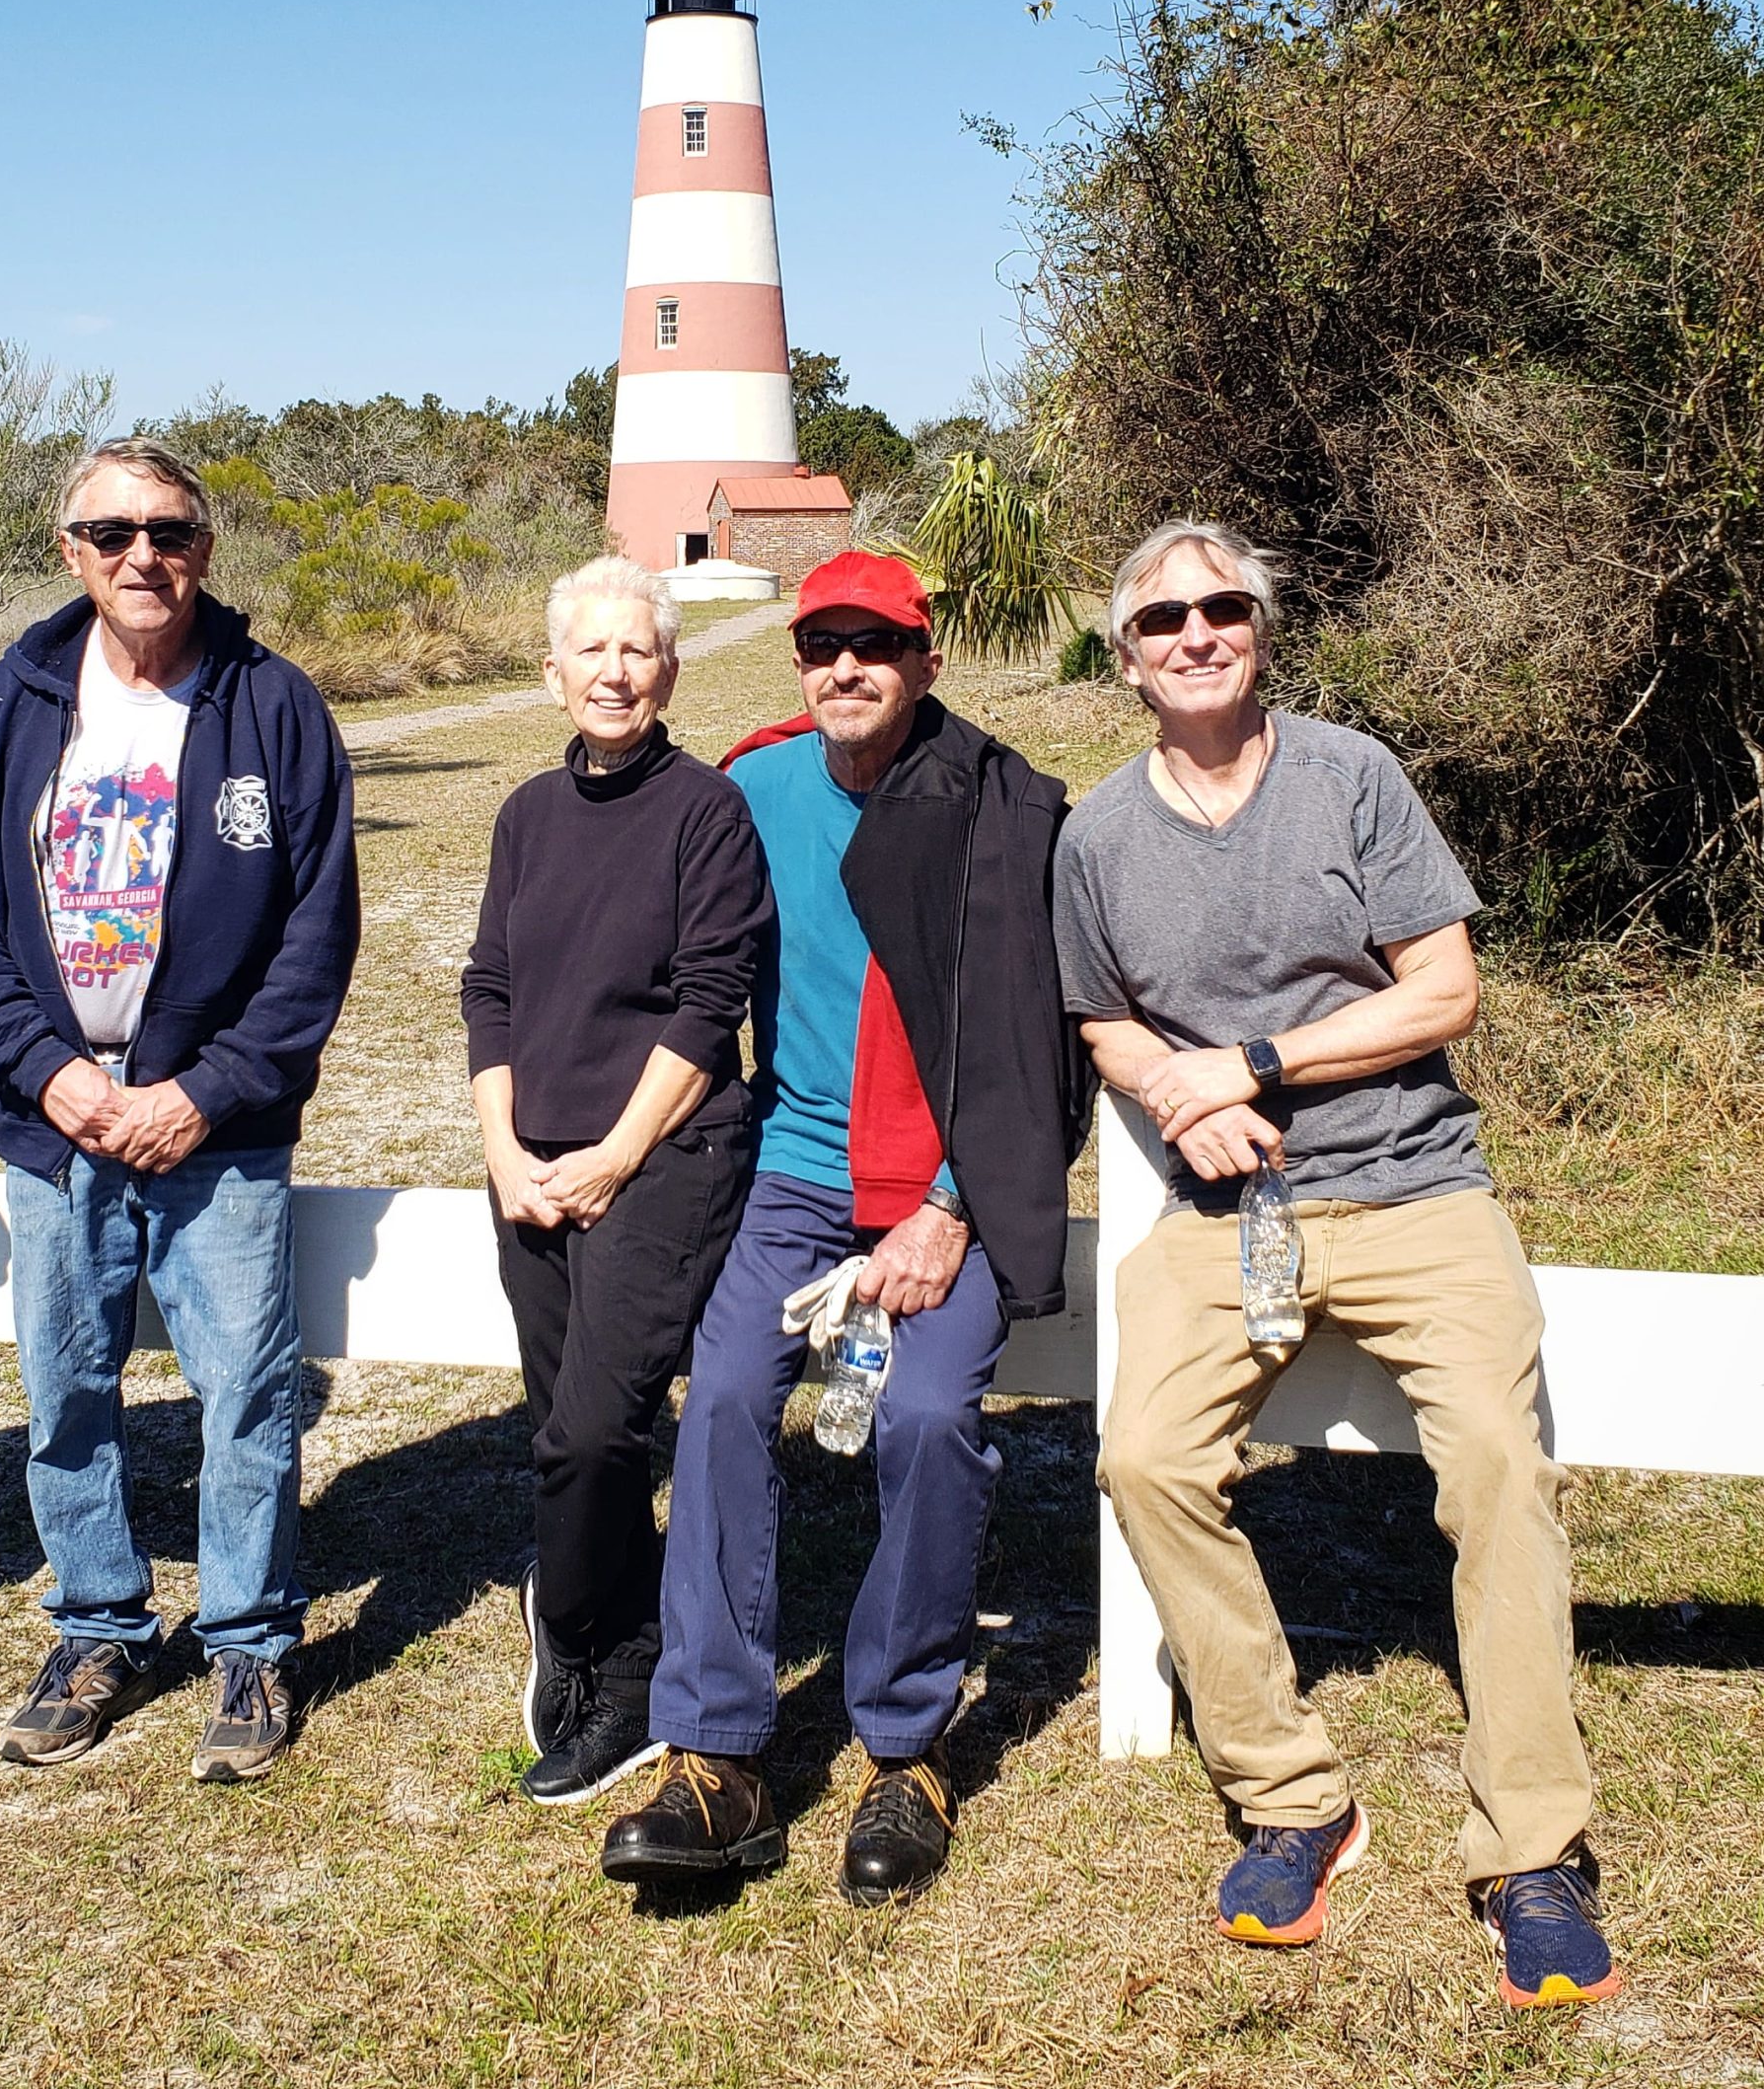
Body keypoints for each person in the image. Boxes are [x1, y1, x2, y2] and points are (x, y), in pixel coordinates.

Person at [1055, 518, 1620, 2008]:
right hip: (1226, 1217)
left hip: (1414, 1187)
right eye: (1165, 616)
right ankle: (1294, 1798)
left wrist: (1251, 1061)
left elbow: (1445, 989)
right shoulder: (1098, 835)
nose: (1197, 633)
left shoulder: (1351, 776)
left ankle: (1536, 1852)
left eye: (1223, 607)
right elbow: (1100, 1018)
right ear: (1128, 657)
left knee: (1501, 1461)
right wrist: (1182, 1097)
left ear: (1259, 628)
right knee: (1144, 1461)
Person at [600, 552, 1083, 1902]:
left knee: (928, 1420)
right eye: (823, 644)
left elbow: (1046, 1053)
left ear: (927, 660)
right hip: (796, 1175)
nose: (845, 668)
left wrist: (947, 1209)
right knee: (721, 1404)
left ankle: (907, 1746)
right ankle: (716, 1752)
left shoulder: (1004, 807)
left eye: (876, 643)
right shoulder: (750, 789)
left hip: (951, 1186)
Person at [0, 436, 359, 1784]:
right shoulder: (14, 701)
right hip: (59, 1120)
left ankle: (247, 1641)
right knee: (66, 1390)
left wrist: (207, 1089)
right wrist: (45, 1071)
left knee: (244, 1394)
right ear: (72, 552)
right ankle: (102, 1626)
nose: (140, 558)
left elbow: (314, 937)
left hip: (214, 1131)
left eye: (166, 532)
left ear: (204, 548)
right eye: (110, 534)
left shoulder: (271, 706)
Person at [462, 557, 772, 1806]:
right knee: (561, 1433)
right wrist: (506, 1156)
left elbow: (711, 1004)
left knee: (597, 1430)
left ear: (670, 669)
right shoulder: (526, 814)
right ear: (552, 673)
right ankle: (601, 1619)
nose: (613, 671)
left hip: (663, 1156)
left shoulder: (705, 811)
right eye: (589, 651)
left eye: (636, 650)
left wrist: (616, 1156)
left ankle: (615, 1667)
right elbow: (489, 988)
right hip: (531, 1167)